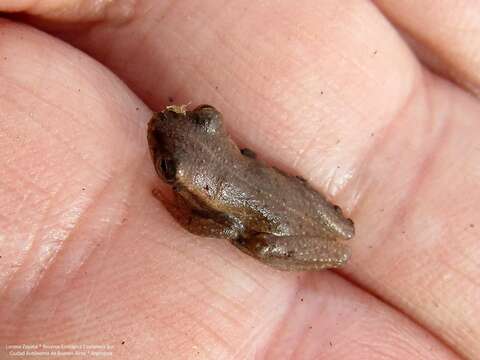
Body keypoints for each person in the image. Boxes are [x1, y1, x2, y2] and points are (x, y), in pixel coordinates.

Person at [0, 1, 478, 359]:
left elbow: (227, 227)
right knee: (321, 227)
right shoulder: (214, 159)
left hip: (275, 226)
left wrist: (178, 208)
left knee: (262, 240)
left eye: (203, 119)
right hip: (274, 196)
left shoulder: (211, 200)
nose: (188, 117)